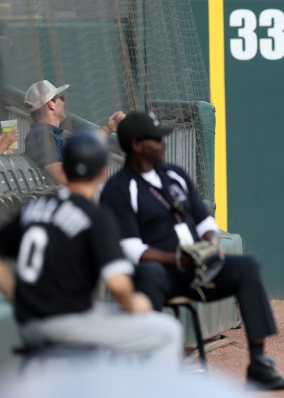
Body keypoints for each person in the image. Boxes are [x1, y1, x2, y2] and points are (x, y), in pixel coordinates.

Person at [99, 111, 284, 391]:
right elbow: (130, 248)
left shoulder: (175, 174)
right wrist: (177, 259)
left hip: (198, 271)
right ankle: (151, 370)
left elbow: (204, 221)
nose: (163, 144)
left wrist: (210, 245)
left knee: (246, 266)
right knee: (148, 272)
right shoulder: (118, 188)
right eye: (156, 139)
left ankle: (259, 363)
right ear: (137, 145)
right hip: (159, 275)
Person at [0, 131, 184, 365]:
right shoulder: (95, 215)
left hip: (28, 324)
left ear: (64, 170)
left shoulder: (35, 208)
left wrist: (18, 298)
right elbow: (118, 285)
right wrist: (135, 304)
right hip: (68, 326)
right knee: (167, 331)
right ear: (102, 172)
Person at [23, 80, 125, 185]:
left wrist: (108, 128)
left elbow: (83, 146)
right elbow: (63, 177)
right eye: (61, 98)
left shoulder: (51, 133)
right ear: (51, 104)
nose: (64, 103)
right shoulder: (40, 135)